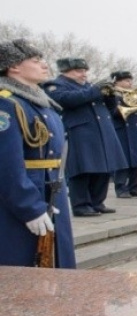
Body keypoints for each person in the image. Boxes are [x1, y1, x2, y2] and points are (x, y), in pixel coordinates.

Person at [0, 39, 75, 268]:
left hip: (51, 190)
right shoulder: (7, 105)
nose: (44, 64)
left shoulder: (42, 103)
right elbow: (6, 164)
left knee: (57, 263)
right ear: (14, 67)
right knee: (22, 267)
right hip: (25, 197)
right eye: (36, 60)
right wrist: (29, 207)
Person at [44, 57, 127, 217]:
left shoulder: (89, 86)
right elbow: (67, 100)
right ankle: (81, 205)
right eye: (79, 71)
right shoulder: (56, 85)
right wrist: (96, 90)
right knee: (82, 170)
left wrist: (110, 97)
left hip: (102, 132)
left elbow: (110, 109)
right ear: (65, 71)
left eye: (84, 71)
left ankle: (97, 202)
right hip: (80, 133)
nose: (84, 74)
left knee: (103, 168)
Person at [109, 70, 137, 199]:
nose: (130, 83)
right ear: (117, 81)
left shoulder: (133, 94)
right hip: (121, 129)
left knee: (136, 161)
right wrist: (128, 102)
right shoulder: (112, 94)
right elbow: (114, 113)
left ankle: (134, 187)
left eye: (130, 80)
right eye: (127, 81)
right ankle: (121, 188)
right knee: (122, 161)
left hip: (135, 129)